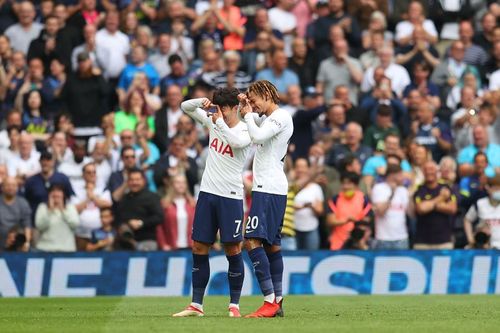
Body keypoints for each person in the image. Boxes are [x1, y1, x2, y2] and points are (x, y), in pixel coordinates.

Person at [173, 87, 251, 318]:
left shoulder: (246, 129)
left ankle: (234, 305)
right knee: (199, 246)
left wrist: (219, 124)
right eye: (219, 108)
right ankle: (196, 304)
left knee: (233, 248)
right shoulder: (214, 120)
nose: (221, 112)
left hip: (231, 196)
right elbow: (185, 107)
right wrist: (204, 102)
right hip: (207, 193)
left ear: (235, 108)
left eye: (225, 108)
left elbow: (236, 143)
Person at [237, 80, 293, 318]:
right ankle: (277, 301)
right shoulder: (269, 118)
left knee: (251, 240)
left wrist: (248, 115)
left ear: (266, 94)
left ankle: (269, 301)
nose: (253, 105)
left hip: (268, 187)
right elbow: (248, 125)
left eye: (254, 99)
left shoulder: (281, 117)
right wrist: (244, 109)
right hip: (271, 187)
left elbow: (257, 136)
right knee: (271, 244)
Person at [413, 161, 458, 249]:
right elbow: (421, 209)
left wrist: (429, 205)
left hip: (444, 241)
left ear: (437, 171)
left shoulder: (446, 187)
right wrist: (441, 198)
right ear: (423, 172)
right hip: (422, 242)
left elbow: (452, 209)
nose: (429, 172)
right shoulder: (419, 189)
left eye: (431, 169)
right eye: (426, 169)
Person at [116, 168, 163, 251]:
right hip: (126, 243)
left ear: (144, 181)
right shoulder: (124, 199)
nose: (134, 183)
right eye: (132, 180)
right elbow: (119, 218)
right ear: (128, 182)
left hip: (147, 240)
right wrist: (127, 224)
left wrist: (141, 223)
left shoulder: (152, 197)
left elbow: (159, 217)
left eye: (137, 180)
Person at [326, 172, 372, 250]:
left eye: (349, 183)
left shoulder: (364, 199)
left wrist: (356, 225)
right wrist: (346, 220)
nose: (346, 186)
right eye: (343, 183)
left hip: (359, 241)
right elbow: (330, 221)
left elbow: (367, 220)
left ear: (356, 185)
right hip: (338, 242)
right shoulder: (335, 199)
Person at [371, 164, 410, 249]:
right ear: (392, 175)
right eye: (400, 175)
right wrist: (392, 194)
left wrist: (411, 195)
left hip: (402, 238)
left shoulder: (403, 190)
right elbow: (380, 212)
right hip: (383, 238)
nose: (403, 177)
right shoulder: (378, 188)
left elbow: (411, 213)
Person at [35, 184, 79, 252]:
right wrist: (50, 211)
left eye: (58, 191)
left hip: (66, 249)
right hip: (45, 249)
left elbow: (75, 225)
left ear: (63, 194)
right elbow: (40, 226)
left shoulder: (70, 208)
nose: (56, 194)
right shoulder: (42, 207)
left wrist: (63, 211)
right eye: (53, 191)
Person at [157, 174, 195, 251]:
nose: (181, 185)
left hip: (191, 247)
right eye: (177, 182)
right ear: (172, 185)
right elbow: (159, 227)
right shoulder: (164, 204)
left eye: (183, 182)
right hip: (171, 247)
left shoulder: (193, 204)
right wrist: (163, 244)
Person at [292, 158, 324, 250]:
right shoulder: (289, 186)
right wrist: (297, 206)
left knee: (311, 257)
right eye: (297, 167)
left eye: (303, 167)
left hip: (311, 228)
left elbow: (320, 211)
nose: (300, 169)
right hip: (293, 229)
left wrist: (311, 206)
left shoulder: (316, 188)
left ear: (308, 169)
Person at [464, 174, 500, 249]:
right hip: (485, 247)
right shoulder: (480, 203)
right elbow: (467, 220)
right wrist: (471, 239)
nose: (498, 192)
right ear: (488, 188)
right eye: (496, 189)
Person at [0, 177, 32, 251]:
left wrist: (27, 243)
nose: (10, 188)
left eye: (13, 185)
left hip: (18, 242)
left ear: (17, 188)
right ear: (2, 187)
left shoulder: (23, 203)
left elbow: (27, 225)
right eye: (8, 185)